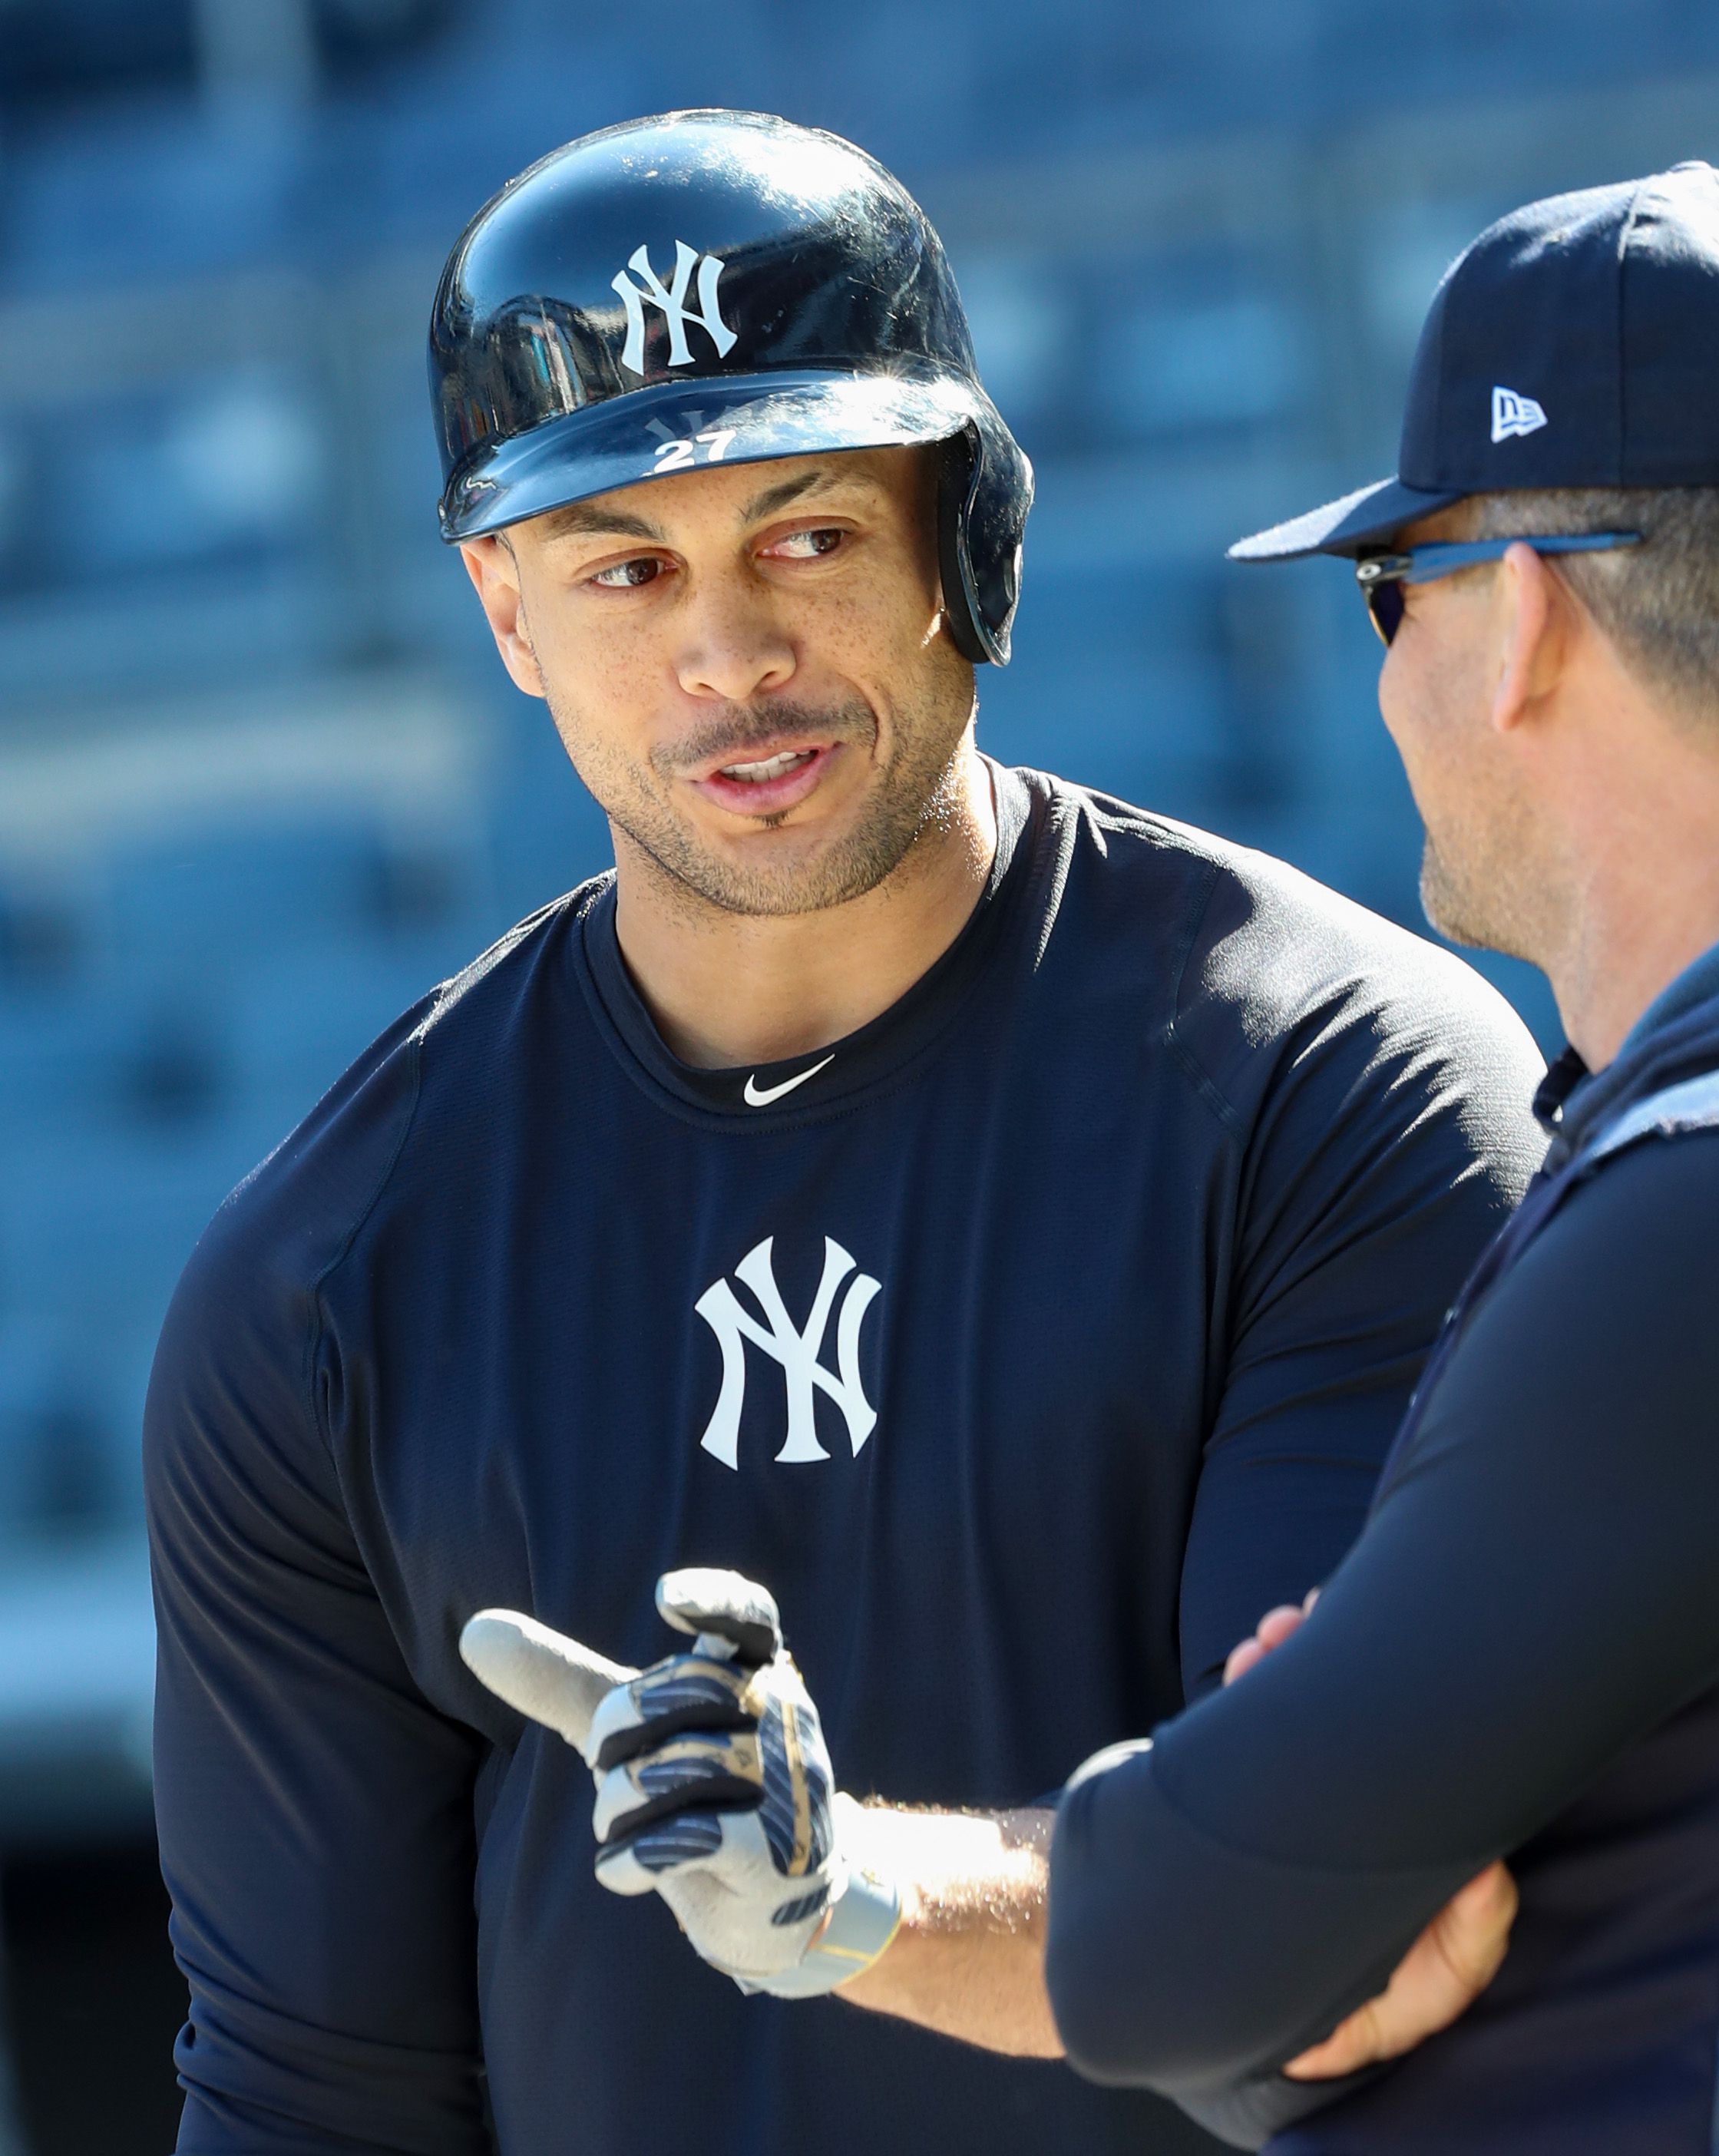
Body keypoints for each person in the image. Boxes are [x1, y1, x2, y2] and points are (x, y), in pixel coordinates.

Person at [143, 110, 1544, 2156]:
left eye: (803, 533)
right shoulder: (327, 1284)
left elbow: (1338, 1924)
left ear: (965, 535)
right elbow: (310, 2107)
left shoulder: (1336, 1088)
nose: (731, 654)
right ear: (506, 615)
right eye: (624, 566)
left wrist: (850, 1897)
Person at [1033, 161, 1719, 2149]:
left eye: (1399, 592)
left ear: (1526, 615)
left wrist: (1256, 1800)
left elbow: (1158, 1956)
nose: (1387, 673)